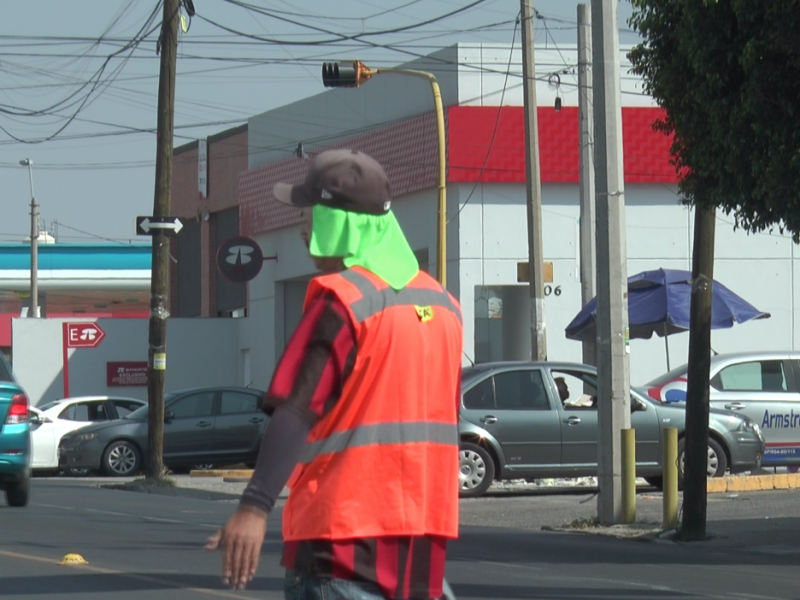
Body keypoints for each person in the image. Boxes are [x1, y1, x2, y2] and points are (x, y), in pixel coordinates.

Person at [205, 149, 464, 600]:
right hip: (421, 555)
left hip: (339, 550)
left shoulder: (342, 302)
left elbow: (296, 411)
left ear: (337, 223)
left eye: (308, 212)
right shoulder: (442, 305)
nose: (301, 226)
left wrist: (254, 505)